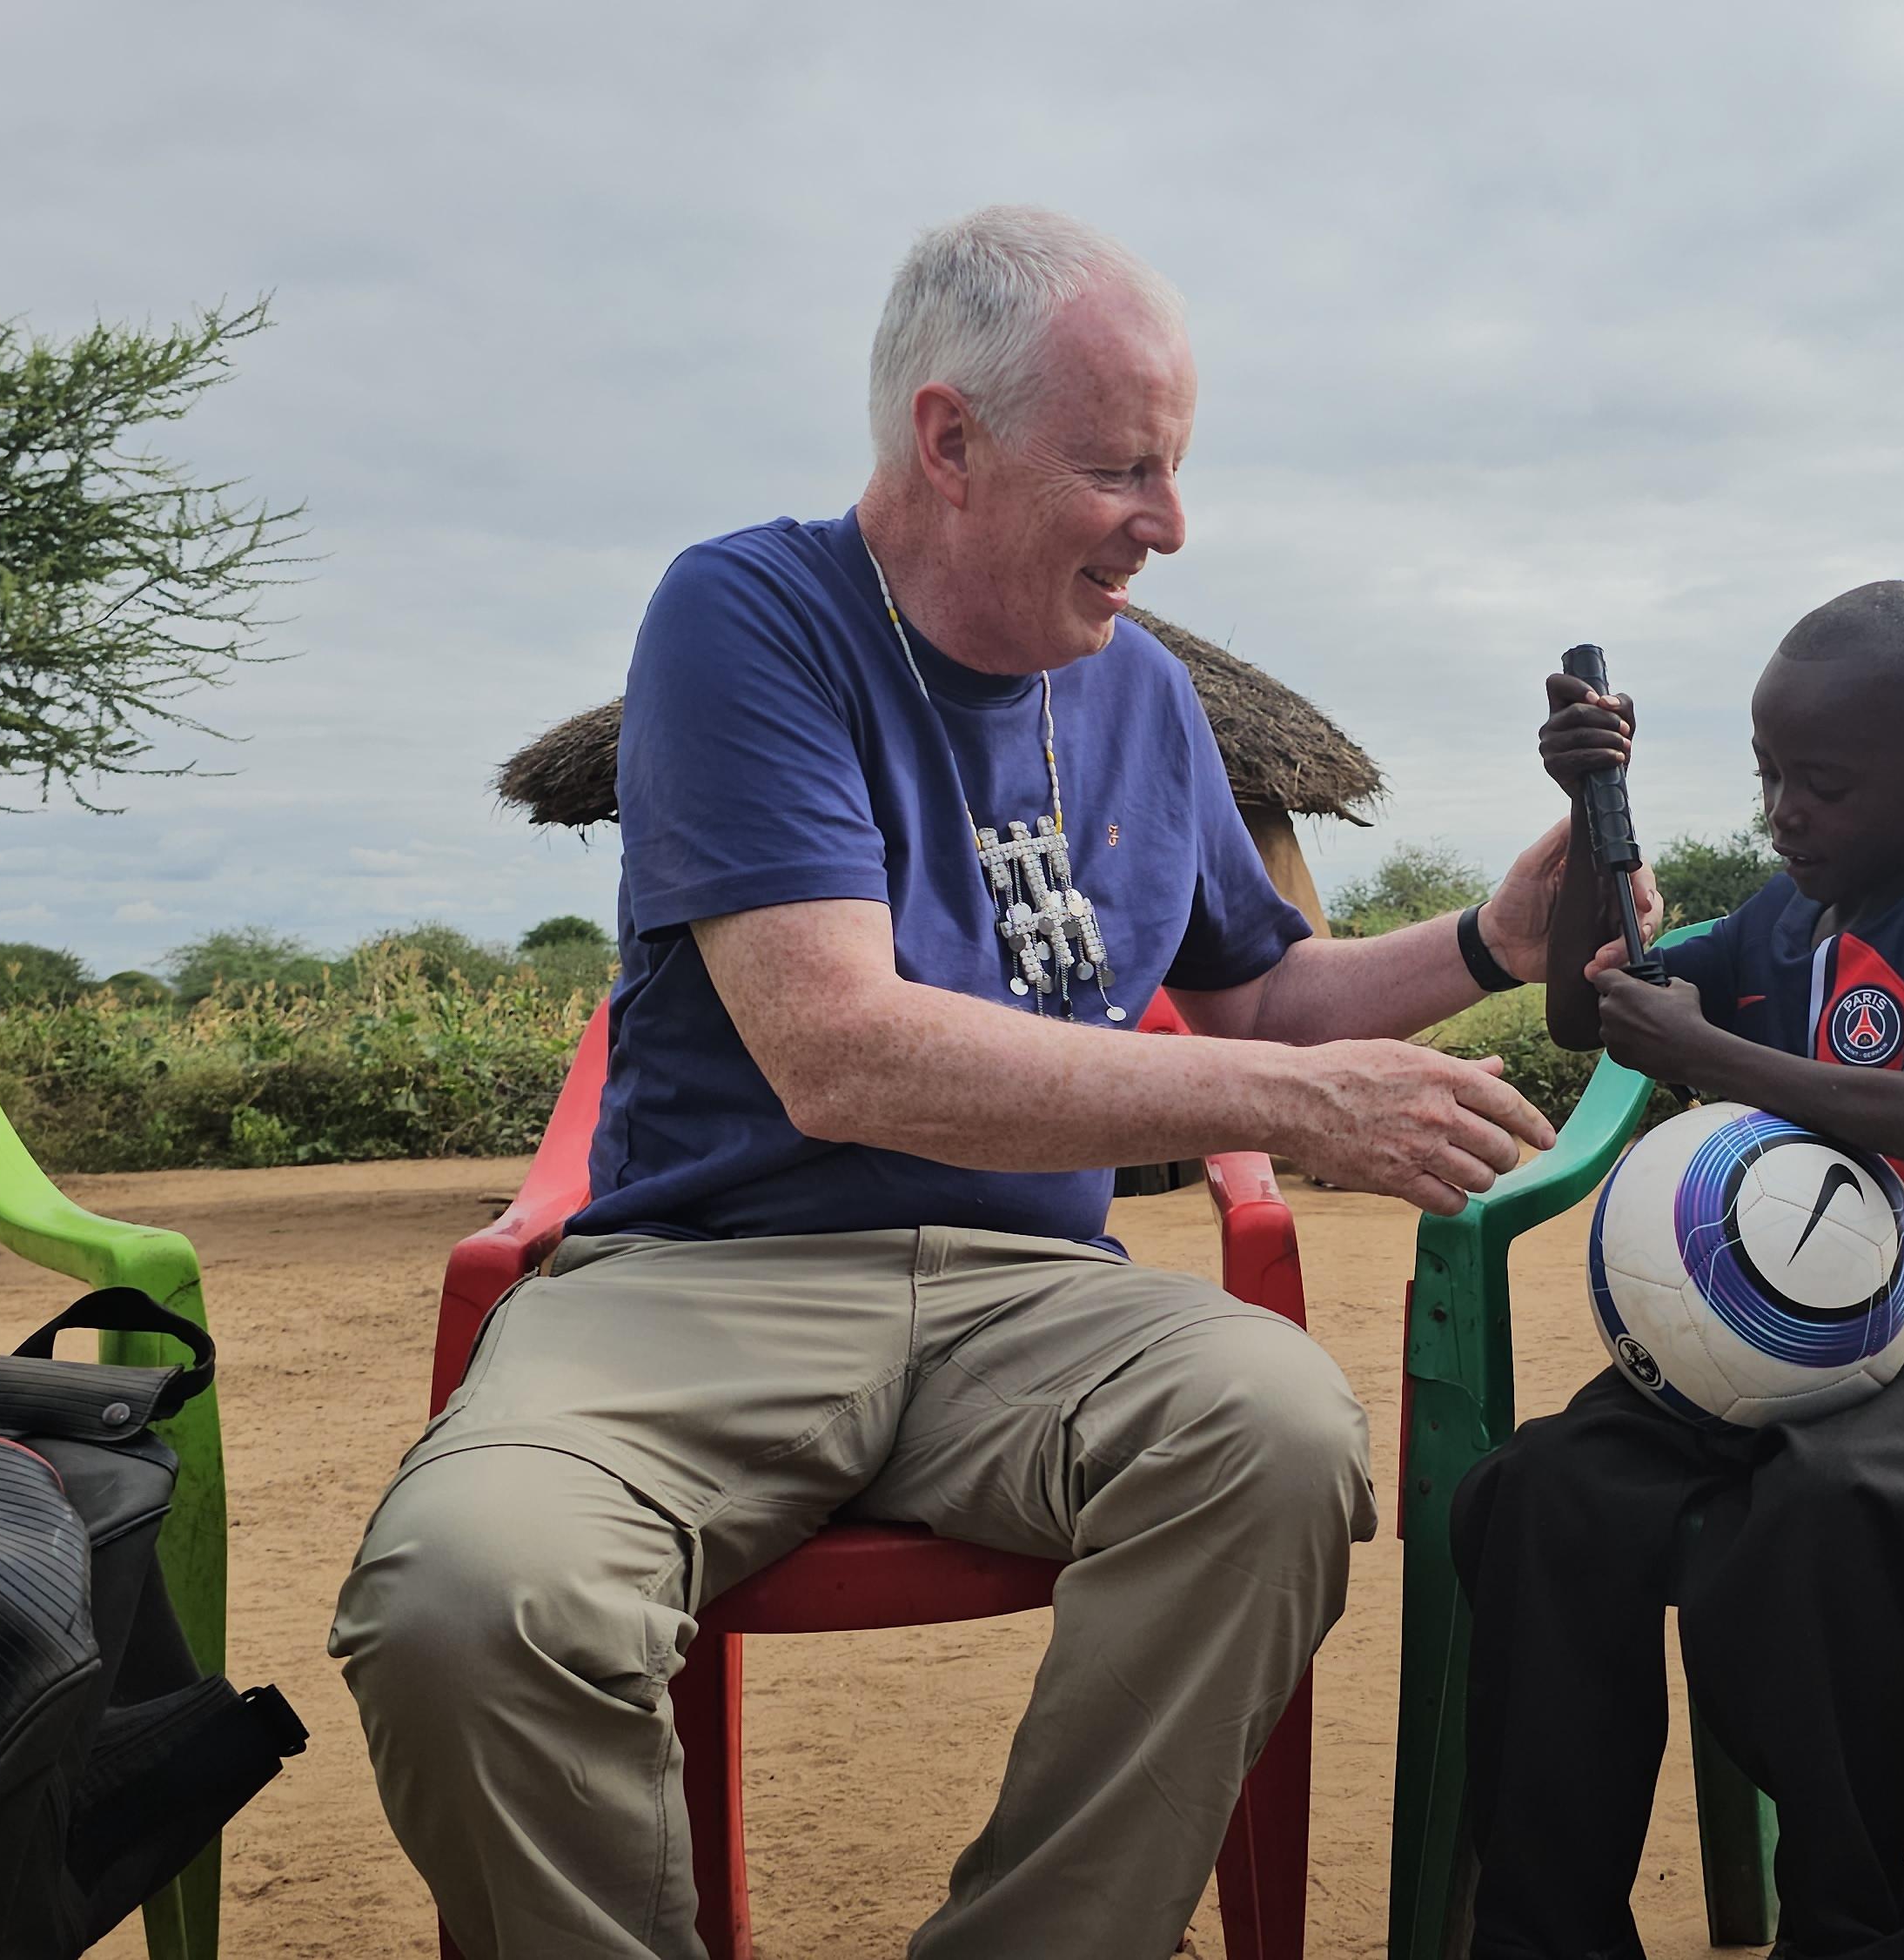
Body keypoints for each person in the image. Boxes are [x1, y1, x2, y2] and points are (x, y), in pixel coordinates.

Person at [328, 207, 1642, 1960]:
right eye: (1121, 472)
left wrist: (1490, 936)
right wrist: (1292, 1110)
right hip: (705, 1283)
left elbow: (1256, 993)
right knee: (464, 1598)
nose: (1168, 528)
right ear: (948, 442)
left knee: (1272, 1438)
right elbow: (840, 1050)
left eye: (1174, 473)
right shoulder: (747, 617)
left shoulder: (1148, 694)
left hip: (1027, 1301)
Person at [1450, 581, 1904, 1960]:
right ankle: (1548, 1932)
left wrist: (1709, 1056)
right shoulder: (1777, 921)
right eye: (1769, 774)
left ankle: (1855, 1924)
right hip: (1748, 1363)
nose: (1785, 811)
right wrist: (1601, 824)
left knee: (1818, 1516)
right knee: (1538, 1496)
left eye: (1824, 785)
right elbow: (1590, 1003)